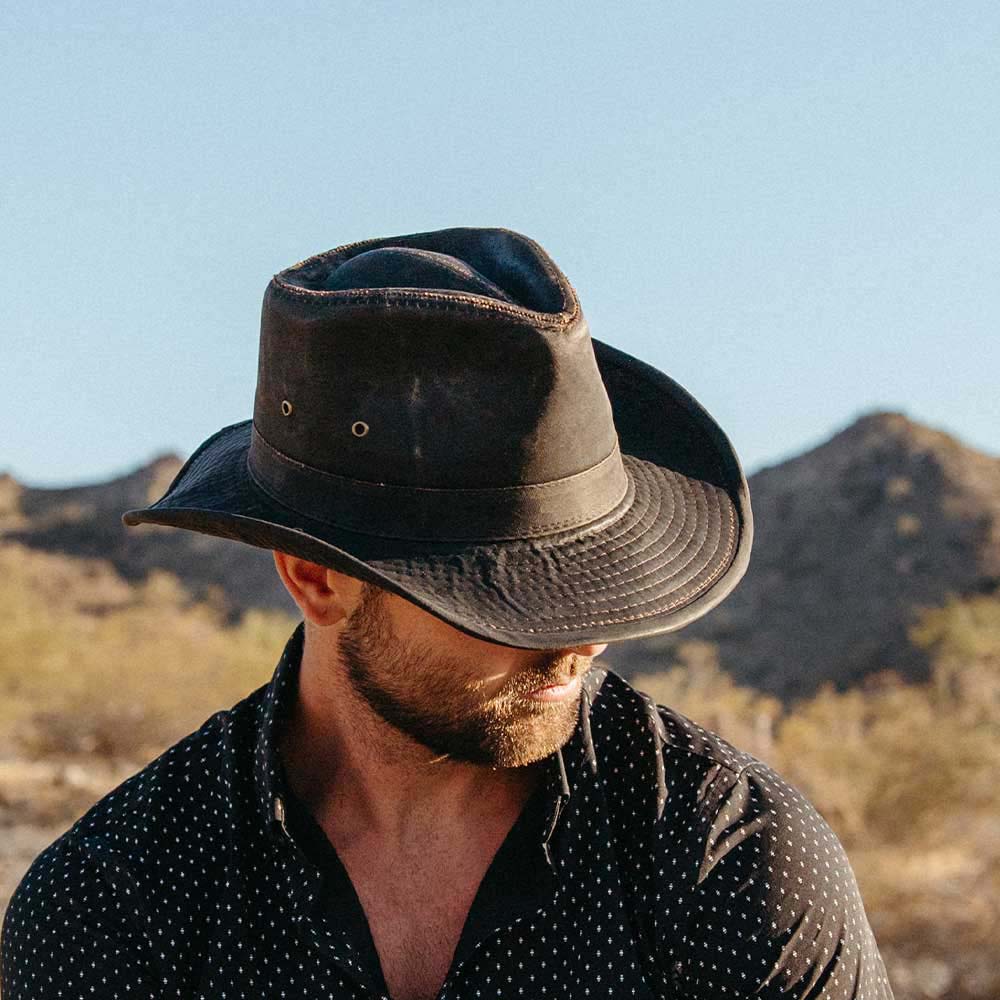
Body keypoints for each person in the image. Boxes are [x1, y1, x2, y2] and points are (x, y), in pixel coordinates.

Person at [1, 228, 894, 999]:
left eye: (591, 587)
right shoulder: (118, 902)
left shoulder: (730, 861)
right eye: (508, 598)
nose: (581, 642)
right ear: (316, 580)